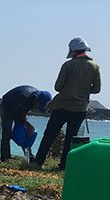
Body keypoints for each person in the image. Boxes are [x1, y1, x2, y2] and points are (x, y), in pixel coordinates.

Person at [31, 37, 101, 170]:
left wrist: (69, 88)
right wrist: (84, 90)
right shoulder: (95, 67)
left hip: (62, 106)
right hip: (80, 108)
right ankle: (64, 165)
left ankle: (38, 161)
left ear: (73, 51)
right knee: (70, 139)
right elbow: (97, 89)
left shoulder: (68, 65)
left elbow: (58, 87)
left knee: (49, 135)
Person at [0, 85, 51, 162]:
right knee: (7, 132)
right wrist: (27, 124)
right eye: (39, 106)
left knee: (26, 131)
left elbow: (23, 113)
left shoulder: (34, 99)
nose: (37, 108)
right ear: (36, 100)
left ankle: (29, 156)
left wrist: (27, 126)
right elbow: (15, 114)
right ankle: (5, 158)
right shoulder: (24, 98)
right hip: (7, 106)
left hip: (18, 107)